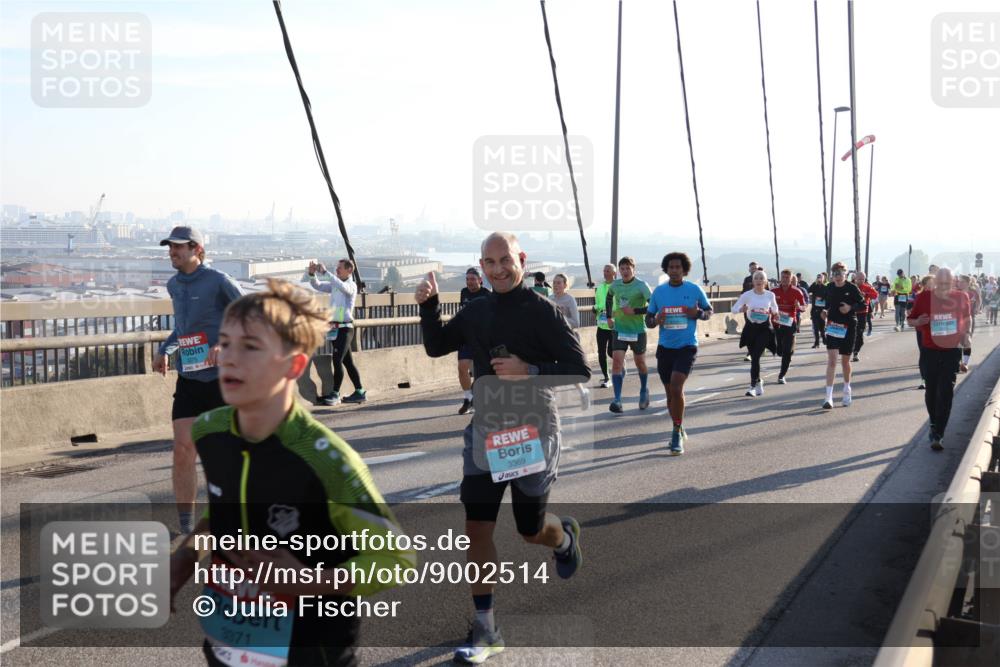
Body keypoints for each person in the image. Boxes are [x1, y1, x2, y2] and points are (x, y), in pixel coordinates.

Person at [169, 279, 415, 666]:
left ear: (294, 365)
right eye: (226, 342)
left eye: (250, 347)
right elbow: (222, 510)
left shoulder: (327, 459)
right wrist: (181, 564)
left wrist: (308, 581)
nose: (227, 357)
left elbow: (396, 559)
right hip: (228, 645)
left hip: (311, 651)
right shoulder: (209, 430)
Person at [416, 232, 587, 663]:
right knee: (477, 527)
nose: (497, 269)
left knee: (530, 531)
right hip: (486, 431)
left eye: (504, 260)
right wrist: (428, 306)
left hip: (532, 431)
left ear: (521, 260)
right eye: (489, 262)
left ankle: (562, 537)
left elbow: (579, 370)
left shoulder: (544, 311)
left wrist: (530, 370)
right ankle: (486, 627)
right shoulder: (477, 309)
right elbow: (437, 345)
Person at [154, 226, 243, 535]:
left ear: (198, 250)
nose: (172, 252)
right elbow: (183, 329)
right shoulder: (173, 285)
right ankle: (186, 527)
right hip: (190, 379)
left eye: (179, 247)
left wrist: (226, 345)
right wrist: (165, 350)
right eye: (170, 248)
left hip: (221, 380)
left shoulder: (218, 281)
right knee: (182, 449)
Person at [645, 252, 713, 454]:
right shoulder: (659, 292)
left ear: (684, 270)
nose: (674, 270)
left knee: (676, 387)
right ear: (666, 269)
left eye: (678, 267)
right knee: (670, 395)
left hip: (687, 347)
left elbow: (709, 311)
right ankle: (679, 424)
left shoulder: (694, 289)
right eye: (671, 267)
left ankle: (675, 433)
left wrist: (698, 313)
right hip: (665, 348)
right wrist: (656, 320)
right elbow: (648, 321)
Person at [907, 268, 972, 450]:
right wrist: (918, 322)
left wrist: (966, 334)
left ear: (953, 283)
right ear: (935, 282)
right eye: (940, 283)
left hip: (951, 350)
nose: (944, 287)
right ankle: (934, 423)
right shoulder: (924, 297)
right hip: (930, 350)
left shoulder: (961, 297)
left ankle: (939, 433)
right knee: (931, 390)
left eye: (947, 283)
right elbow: (910, 320)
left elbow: (967, 318)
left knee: (946, 391)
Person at [305, 259, 367, 404]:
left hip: (345, 329)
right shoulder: (335, 284)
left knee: (337, 359)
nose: (337, 270)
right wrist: (311, 274)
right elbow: (317, 285)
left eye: (340, 268)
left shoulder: (351, 286)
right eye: (336, 267)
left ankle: (335, 394)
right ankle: (360, 391)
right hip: (335, 329)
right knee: (348, 363)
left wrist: (325, 272)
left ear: (349, 270)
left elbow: (342, 286)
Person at [606, 256, 653, 413]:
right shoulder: (616, 284)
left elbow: (653, 305)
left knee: (640, 362)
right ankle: (617, 400)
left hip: (637, 330)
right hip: (620, 329)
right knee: (617, 363)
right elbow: (608, 296)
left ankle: (644, 389)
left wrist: (635, 311)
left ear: (634, 269)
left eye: (628, 268)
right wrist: (608, 317)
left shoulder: (641, 285)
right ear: (619, 270)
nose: (625, 271)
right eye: (622, 268)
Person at [820, 262, 865, 409]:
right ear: (832, 276)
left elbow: (864, 305)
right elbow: (826, 303)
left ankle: (846, 389)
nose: (838, 277)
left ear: (845, 274)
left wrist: (850, 307)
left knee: (845, 361)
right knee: (832, 360)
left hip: (849, 326)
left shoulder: (852, 288)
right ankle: (828, 397)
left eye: (840, 274)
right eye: (835, 274)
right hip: (833, 326)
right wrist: (825, 311)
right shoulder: (829, 287)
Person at [732, 270, 779, 397]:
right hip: (751, 328)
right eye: (756, 278)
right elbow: (734, 309)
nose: (758, 280)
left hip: (764, 328)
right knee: (754, 357)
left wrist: (776, 313)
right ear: (753, 281)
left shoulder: (770, 295)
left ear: (765, 281)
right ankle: (759, 382)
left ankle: (752, 386)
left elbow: (775, 308)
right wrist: (741, 309)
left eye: (761, 278)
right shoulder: (747, 295)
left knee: (756, 357)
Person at [551, 273, 591, 410]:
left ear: (565, 285)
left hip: (567, 339)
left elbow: (576, 322)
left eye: (559, 283)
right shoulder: (549, 299)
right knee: (551, 369)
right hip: (551, 340)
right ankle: (552, 402)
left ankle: (583, 392)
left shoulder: (570, 300)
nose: (556, 285)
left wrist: (560, 318)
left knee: (569, 369)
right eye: (554, 282)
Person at [457, 268, 491, 414]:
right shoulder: (464, 292)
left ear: (480, 280)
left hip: (482, 339)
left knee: (480, 373)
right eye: (468, 279)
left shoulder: (487, 295)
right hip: (466, 337)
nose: (469, 282)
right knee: (462, 367)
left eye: (472, 279)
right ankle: (468, 397)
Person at [773, 270, 807, 383]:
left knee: (787, 351)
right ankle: (783, 349)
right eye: (783, 277)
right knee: (779, 351)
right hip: (777, 324)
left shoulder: (797, 292)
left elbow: (804, 307)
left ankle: (782, 375)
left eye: (787, 277)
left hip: (790, 324)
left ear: (791, 279)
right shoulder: (773, 291)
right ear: (780, 278)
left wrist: (799, 306)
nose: (785, 279)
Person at [593, 263, 617, 388]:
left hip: (613, 325)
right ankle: (607, 377)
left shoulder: (618, 287)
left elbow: (619, 304)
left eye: (608, 271)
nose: (605, 273)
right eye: (604, 270)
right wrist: (595, 308)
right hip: (601, 325)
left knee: (611, 352)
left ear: (614, 273)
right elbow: (598, 303)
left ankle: (619, 364)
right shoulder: (600, 287)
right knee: (601, 352)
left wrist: (612, 314)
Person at [851, 271, 879, 361]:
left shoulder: (867, 287)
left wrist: (866, 294)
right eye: (859, 279)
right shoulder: (851, 286)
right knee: (851, 333)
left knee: (860, 333)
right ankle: (851, 349)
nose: (861, 281)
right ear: (855, 279)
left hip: (863, 313)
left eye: (863, 279)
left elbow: (875, 295)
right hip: (852, 313)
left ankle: (856, 352)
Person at [808, 272, 828, 348]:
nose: (819, 279)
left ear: (823, 279)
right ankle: (816, 342)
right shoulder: (814, 286)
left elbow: (828, 297)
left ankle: (824, 338)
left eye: (820, 278)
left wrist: (821, 298)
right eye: (818, 277)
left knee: (822, 328)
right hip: (815, 310)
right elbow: (808, 290)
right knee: (815, 327)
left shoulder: (825, 287)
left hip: (822, 310)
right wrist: (814, 283)